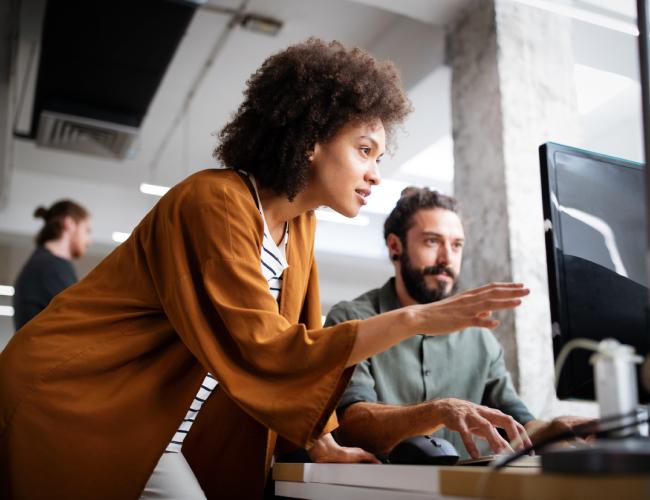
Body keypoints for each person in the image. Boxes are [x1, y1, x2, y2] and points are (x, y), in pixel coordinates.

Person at [0, 39, 529, 500]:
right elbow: (266, 348)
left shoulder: (299, 227)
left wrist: (325, 447)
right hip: (77, 398)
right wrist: (414, 321)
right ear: (310, 138)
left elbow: (300, 346)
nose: (373, 173)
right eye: (364, 149)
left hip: (151, 426)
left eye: (379, 157)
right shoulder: (214, 201)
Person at [326, 187, 586, 460]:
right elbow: (350, 425)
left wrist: (555, 430)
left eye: (456, 245)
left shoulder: (479, 337)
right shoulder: (352, 320)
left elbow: (517, 425)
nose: (446, 259)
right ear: (395, 247)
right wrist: (437, 411)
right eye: (431, 242)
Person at [12, 199, 92, 331]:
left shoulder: (44, 263)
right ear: (69, 223)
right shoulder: (51, 267)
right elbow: (79, 322)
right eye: (87, 230)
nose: (89, 241)